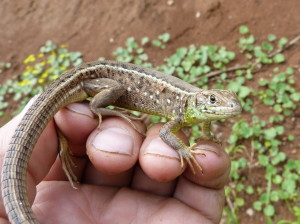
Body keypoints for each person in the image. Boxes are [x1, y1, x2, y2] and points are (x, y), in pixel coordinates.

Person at [0, 98, 230, 224]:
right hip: (91, 89)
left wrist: (206, 135)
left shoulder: (194, 112)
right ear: (199, 101)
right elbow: (164, 133)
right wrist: (183, 150)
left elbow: (203, 118)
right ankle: (96, 108)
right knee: (85, 119)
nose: (222, 107)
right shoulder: (183, 108)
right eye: (212, 101)